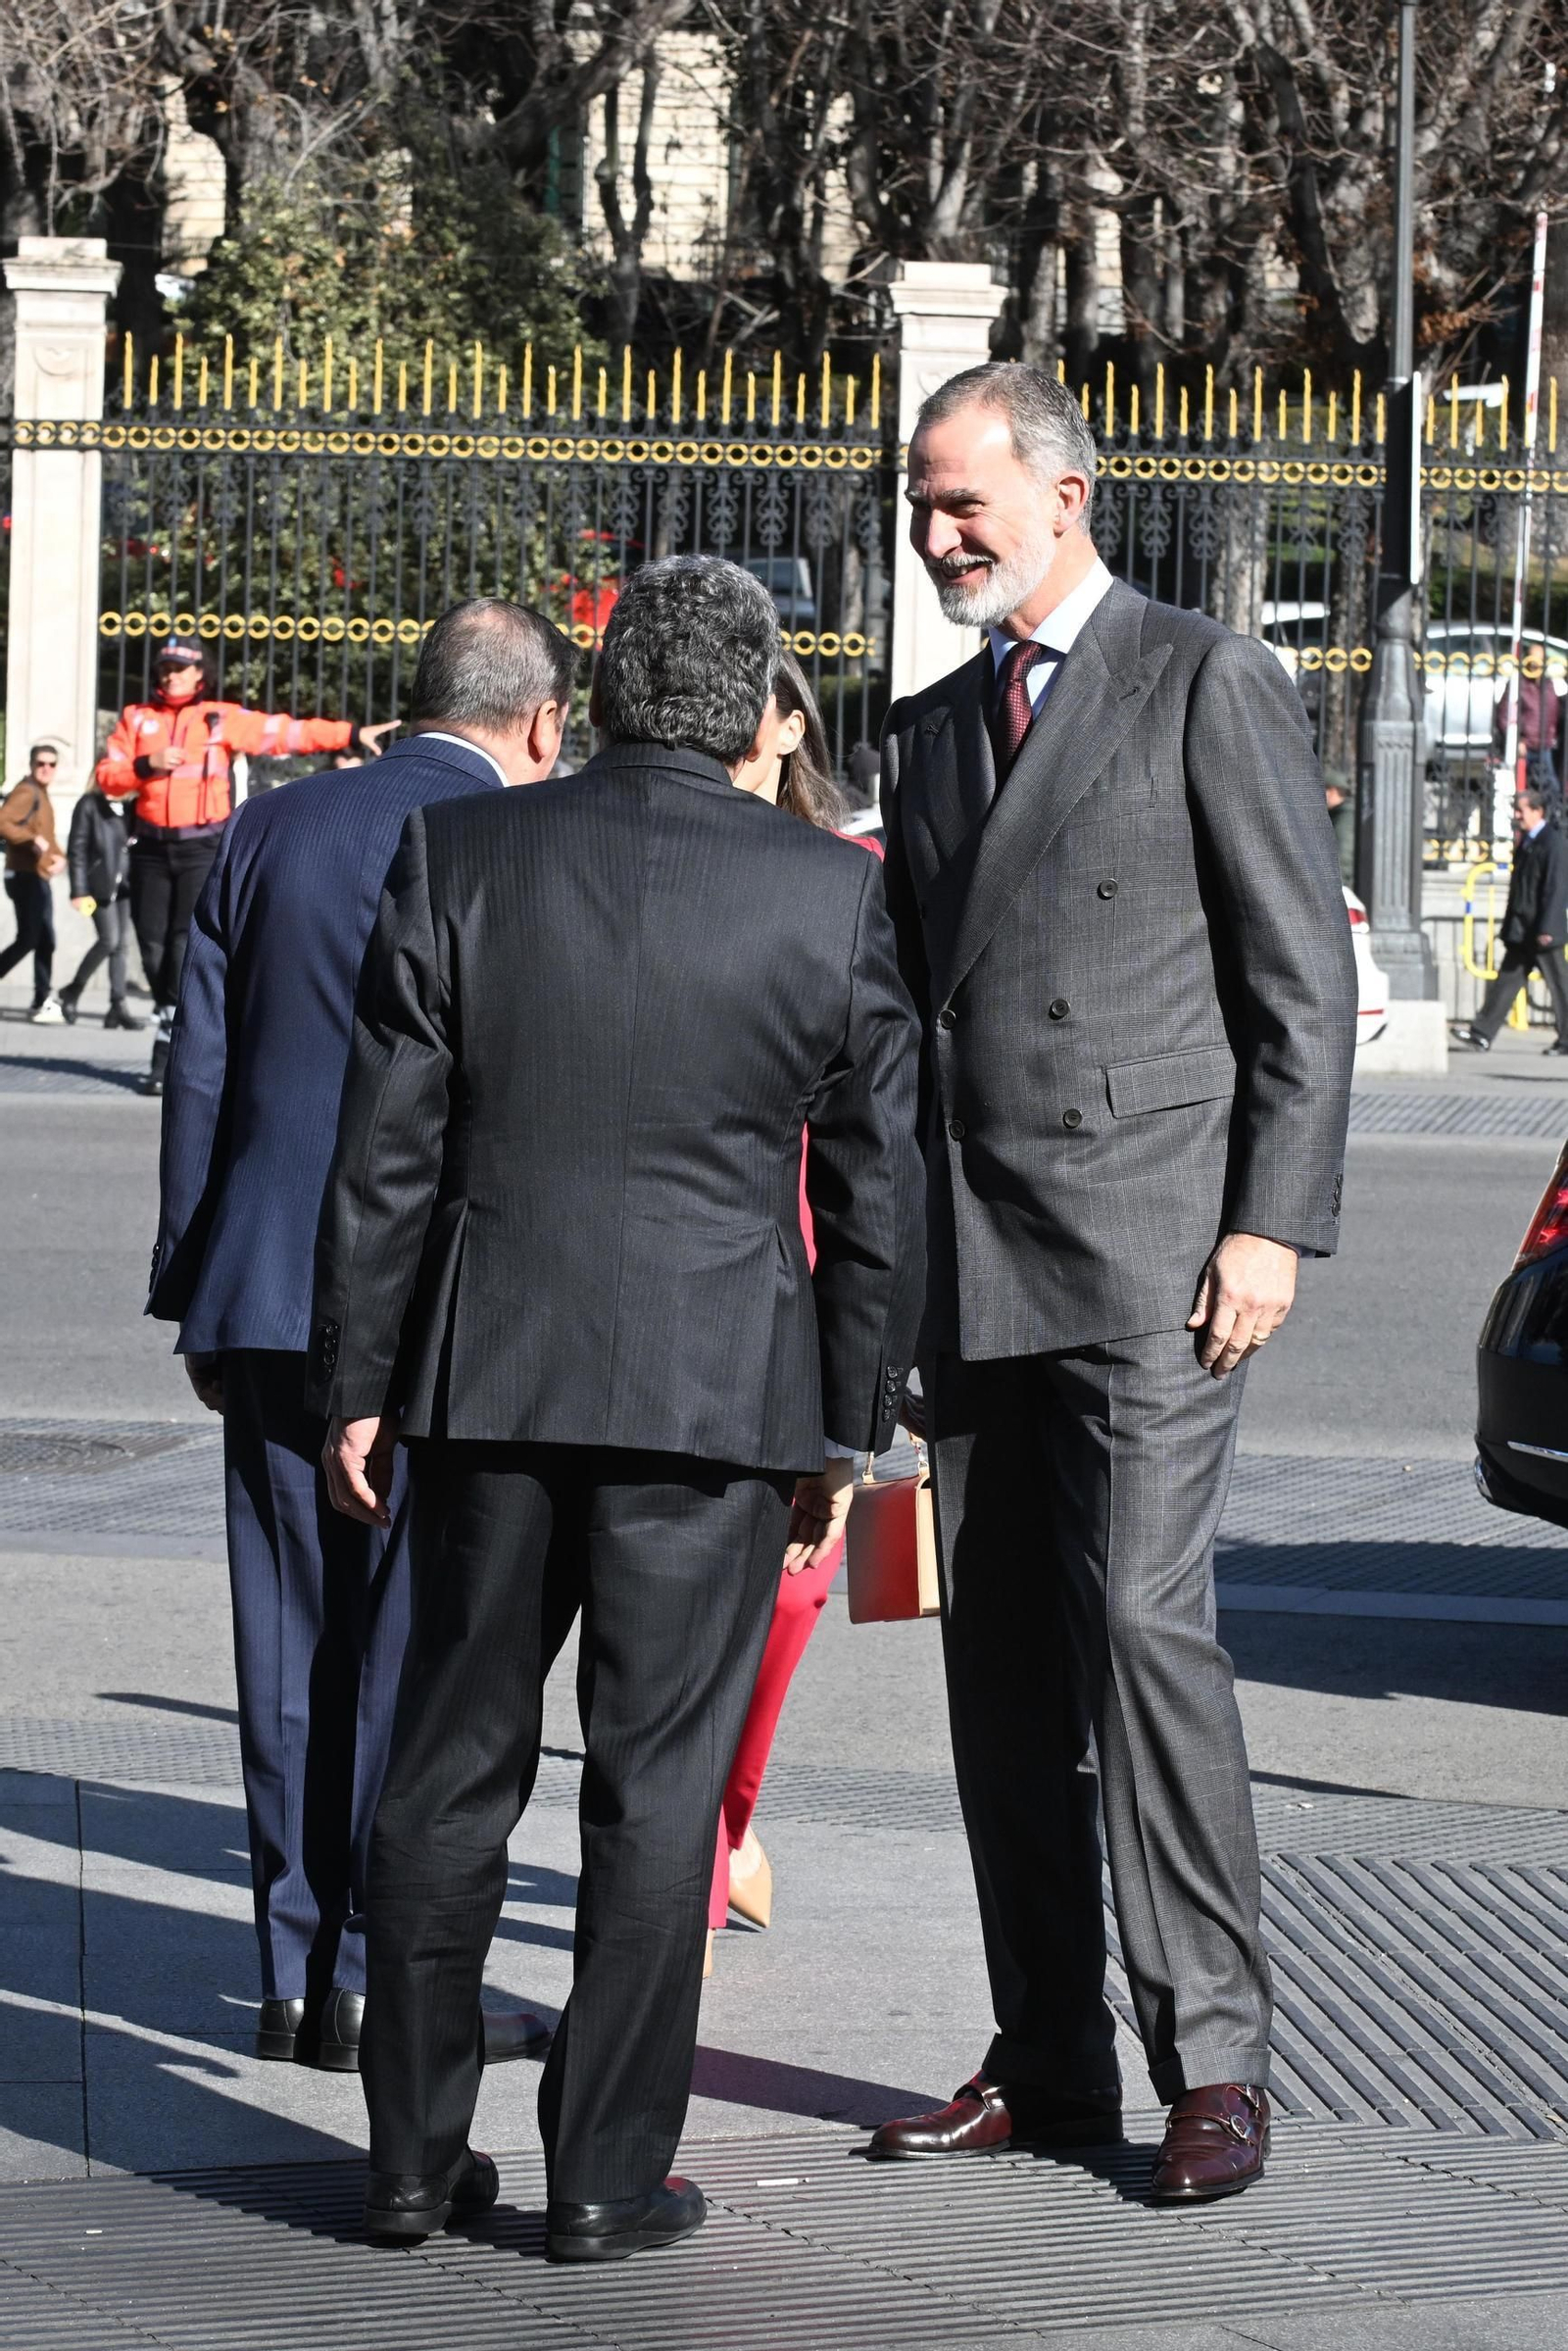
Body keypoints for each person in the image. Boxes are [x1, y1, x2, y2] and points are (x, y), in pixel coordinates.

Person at [310, 554, 923, 2261]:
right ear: (758, 708)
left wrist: (358, 1379)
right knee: (657, 1790)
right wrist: (848, 1420)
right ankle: (604, 2174)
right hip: (716, 1396)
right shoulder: (829, 891)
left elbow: (385, 1151)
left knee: (448, 1768)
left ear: (596, 694)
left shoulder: (463, 851)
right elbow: (878, 1184)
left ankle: (410, 2156)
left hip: (490, 1374)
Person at [871, 364, 1356, 2203]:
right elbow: (905, 1020)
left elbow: (1298, 981)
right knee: (995, 1664)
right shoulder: (928, 723)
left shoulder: (1199, 675)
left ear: (1066, 493)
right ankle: (1050, 2051)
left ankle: (1214, 2056)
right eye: (923, 506)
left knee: (1146, 1636)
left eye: (964, 502)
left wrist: (1269, 1223)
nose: (940, 536)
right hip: (973, 1259)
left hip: (1160, 1258)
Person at [147, 600, 572, 2074]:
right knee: (419, 1647)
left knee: (287, 1639)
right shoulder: (515, 838)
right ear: (541, 719)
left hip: (266, 1286)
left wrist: (195, 1282)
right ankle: (389, 1981)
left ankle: (294, 1975)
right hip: (445, 1301)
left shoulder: (269, 827)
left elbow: (201, 1066)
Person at [706, 651, 876, 1968]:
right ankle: (693, 1870)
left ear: (785, 726)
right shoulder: (631, 849)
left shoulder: (846, 880)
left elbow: (891, 1135)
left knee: (788, 1598)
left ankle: (726, 1820)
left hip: (814, 1284)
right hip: (684, 1285)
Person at [97, 637, 398, 1094]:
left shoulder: (218, 717)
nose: (171, 675)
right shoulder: (136, 718)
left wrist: (351, 735)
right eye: (165, 667)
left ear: (200, 674)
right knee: (152, 946)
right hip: (150, 848)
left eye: (180, 668)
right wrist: (146, 763)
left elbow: (284, 733)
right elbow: (108, 778)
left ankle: (167, 1044)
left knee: (181, 942)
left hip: (200, 845)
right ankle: (166, 1010)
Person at [1452, 784, 1568, 1055]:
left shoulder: (1552, 843)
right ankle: (1481, 1034)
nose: (1517, 815)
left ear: (1538, 811)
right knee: (1506, 982)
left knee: (1560, 986)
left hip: (1542, 930)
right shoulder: (1528, 841)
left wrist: (1547, 928)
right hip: (1522, 929)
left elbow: (1556, 888)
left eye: (1521, 810)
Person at [60, 779, 144, 1029]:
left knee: (121, 946)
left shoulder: (129, 806)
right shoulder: (89, 804)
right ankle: (73, 990)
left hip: (125, 887)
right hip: (99, 885)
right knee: (109, 940)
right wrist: (79, 890)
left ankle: (117, 1006)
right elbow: (77, 849)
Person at [0, 743, 67, 1019]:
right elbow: (3, 822)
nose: (46, 769)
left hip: (36, 875)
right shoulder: (27, 791)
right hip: (25, 875)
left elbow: (46, 837)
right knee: (31, 938)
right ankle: (41, 1000)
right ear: (31, 765)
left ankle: (41, 999)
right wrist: (31, 839)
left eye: (52, 764)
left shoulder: (40, 793)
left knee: (43, 939)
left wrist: (59, 857)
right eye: (41, 763)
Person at [1494, 668, 1564, 796]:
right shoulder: (1518, 684)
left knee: (1552, 790)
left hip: (1546, 745)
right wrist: (1517, 741)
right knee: (1522, 791)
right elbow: (1504, 716)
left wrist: (1554, 735)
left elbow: (1557, 712)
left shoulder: (1550, 684)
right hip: (1525, 747)